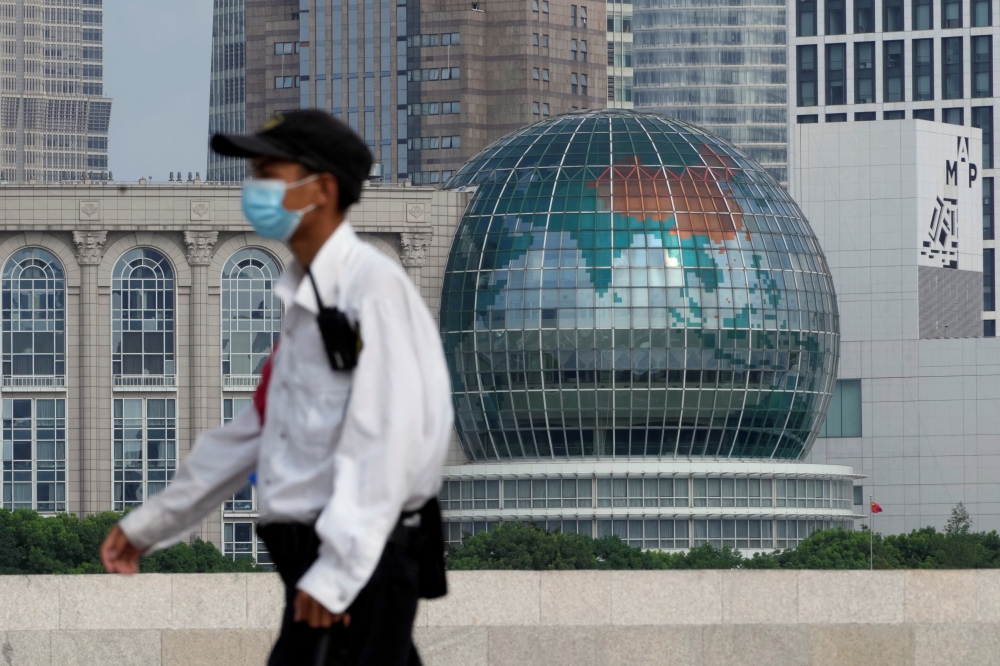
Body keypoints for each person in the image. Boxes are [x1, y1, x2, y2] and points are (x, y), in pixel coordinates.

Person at [100, 110, 453, 666]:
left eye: (269, 171)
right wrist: (151, 525)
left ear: (323, 189)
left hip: (353, 567)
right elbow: (251, 435)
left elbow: (389, 436)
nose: (254, 187)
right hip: (318, 566)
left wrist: (338, 572)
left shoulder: (373, 290)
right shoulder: (304, 304)